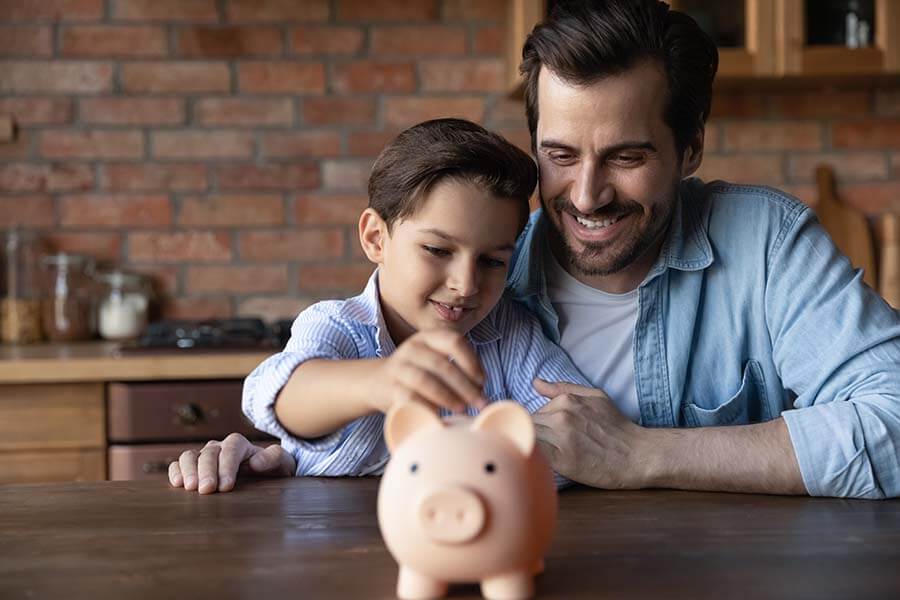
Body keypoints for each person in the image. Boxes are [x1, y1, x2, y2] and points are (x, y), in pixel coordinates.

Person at [173, 0, 900, 499]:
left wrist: (646, 455)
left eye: (626, 156)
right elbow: (331, 393)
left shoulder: (766, 244)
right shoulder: (486, 266)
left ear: (689, 150)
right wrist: (284, 458)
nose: (585, 195)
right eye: (560, 153)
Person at [169, 118, 593, 493]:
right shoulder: (336, 326)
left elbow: (579, 436)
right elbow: (278, 394)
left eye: (492, 261)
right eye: (437, 250)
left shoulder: (511, 335)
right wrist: (379, 380)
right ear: (375, 238)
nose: (466, 285)